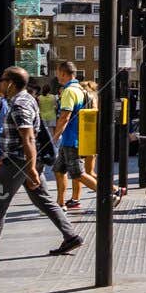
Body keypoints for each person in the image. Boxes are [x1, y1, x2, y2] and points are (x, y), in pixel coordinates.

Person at [0, 68, 83, 262]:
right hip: (21, 160)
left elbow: (29, 138)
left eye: (2, 80)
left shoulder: (19, 104)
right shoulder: (25, 100)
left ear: (11, 83)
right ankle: (71, 236)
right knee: (43, 199)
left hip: (19, 163)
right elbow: (22, 137)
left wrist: (31, 168)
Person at [50, 62, 100, 210]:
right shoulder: (80, 89)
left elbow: (65, 116)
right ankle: (60, 203)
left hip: (71, 138)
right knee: (59, 170)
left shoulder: (69, 91)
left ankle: (109, 194)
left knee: (78, 174)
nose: (57, 76)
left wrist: (56, 135)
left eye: (58, 73)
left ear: (63, 73)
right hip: (75, 137)